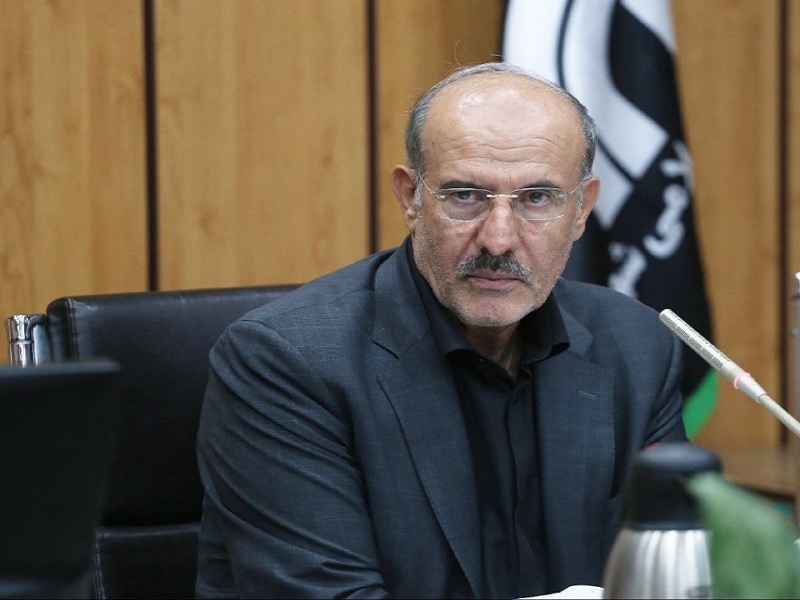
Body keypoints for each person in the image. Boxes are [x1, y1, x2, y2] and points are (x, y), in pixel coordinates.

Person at [195, 62, 687, 599]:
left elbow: (673, 575)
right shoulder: (287, 361)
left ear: (581, 209)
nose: (499, 240)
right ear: (411, 198)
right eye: (466, 195)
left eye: (537, 198)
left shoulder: (635, 345)